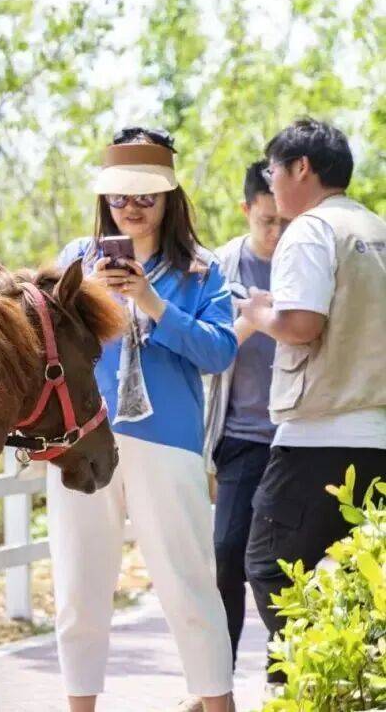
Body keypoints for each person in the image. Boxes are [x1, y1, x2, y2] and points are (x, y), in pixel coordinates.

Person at [52, 127, 236, 712]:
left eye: (145, 196)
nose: (130, 208)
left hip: (167, 442)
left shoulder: (201, 270)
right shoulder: (76, 261)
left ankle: (218, 704)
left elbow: (220, 352)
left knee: (189, 583)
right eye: (118, 196)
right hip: (82, 438)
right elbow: (48, 343)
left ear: (169, 198)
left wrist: (153, 303)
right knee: (78, 587)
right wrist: (90, 296)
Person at [238, 119, 386, 684]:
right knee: (360, 575)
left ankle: (303, 684)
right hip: (378, 434)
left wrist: (259, 314)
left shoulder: (309, 229)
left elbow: (301, 325)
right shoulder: (375, 228)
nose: (270, 180)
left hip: (320, 433)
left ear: (302, 168)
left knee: (269, 566)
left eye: (273, 168)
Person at [202, 161, 288, 665]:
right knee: (226, 554)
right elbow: (205, 351)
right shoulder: (219, 268)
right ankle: (219, 678)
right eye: (266, 221)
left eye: (285, 221)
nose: (277, 232)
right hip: (239, 436)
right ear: (245, 211)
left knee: (282, 565)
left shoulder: (308, 260)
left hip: (296, 438)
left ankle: (286, 676)